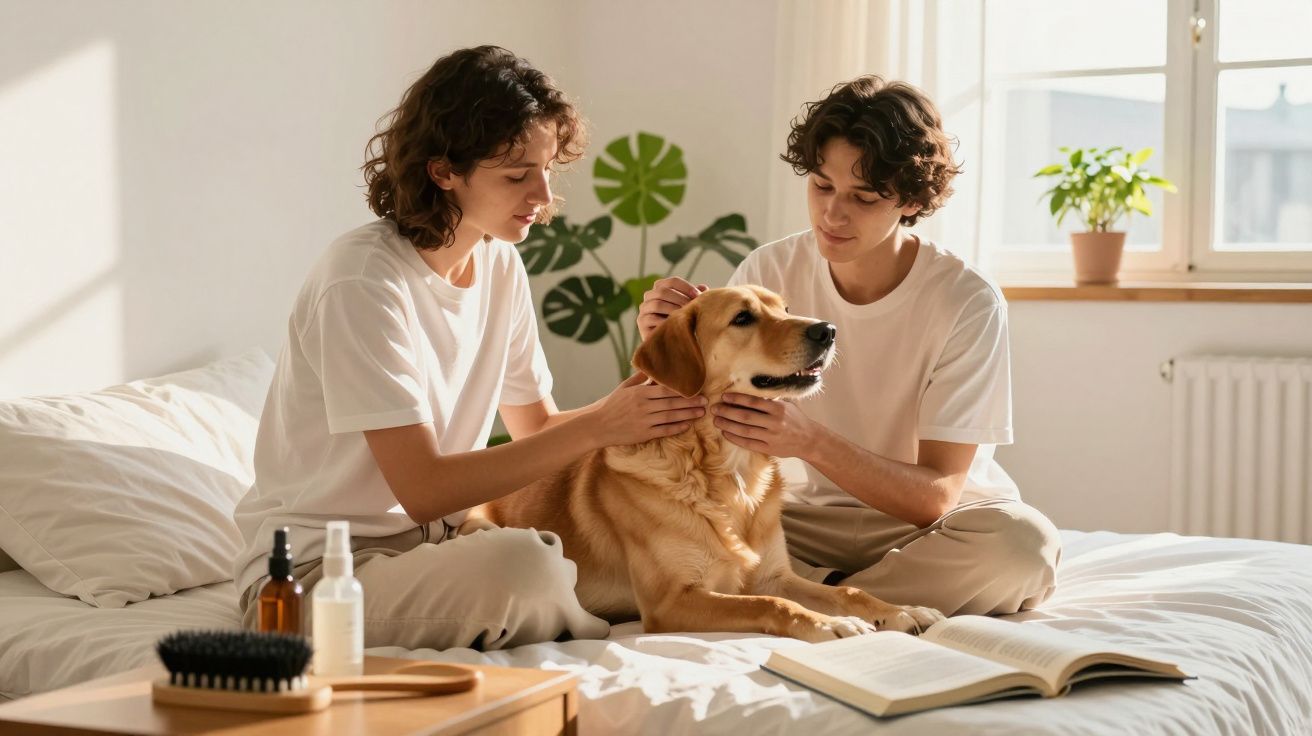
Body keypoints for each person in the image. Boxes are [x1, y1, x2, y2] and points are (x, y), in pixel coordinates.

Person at [232, 46, 707, 651]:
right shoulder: (363, 281)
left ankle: (567, 611)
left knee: (549, 554)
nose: (542, 194)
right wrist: (601, 427)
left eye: (545, 169)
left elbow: (535, 428)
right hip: (313, 578)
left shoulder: (500, 264)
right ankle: (579, 620)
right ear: (442, 171)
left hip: (437, 551)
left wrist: (655, 371)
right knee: (525, 568)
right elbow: (424, 489)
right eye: (515, 176)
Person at [637, 76, 1060, 617]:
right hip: (799, 518)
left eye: (862, 197)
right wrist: (671, 341)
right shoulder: (769, 270)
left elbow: (935, 497)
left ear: (908, 200)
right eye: (821, 186)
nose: (832, 214)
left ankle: (812, 593)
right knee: (687, 521)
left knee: (1025, 549)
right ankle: (834, 594)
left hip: (932, 529)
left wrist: (809, 441)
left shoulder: (966, 301)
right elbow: (702, 415)